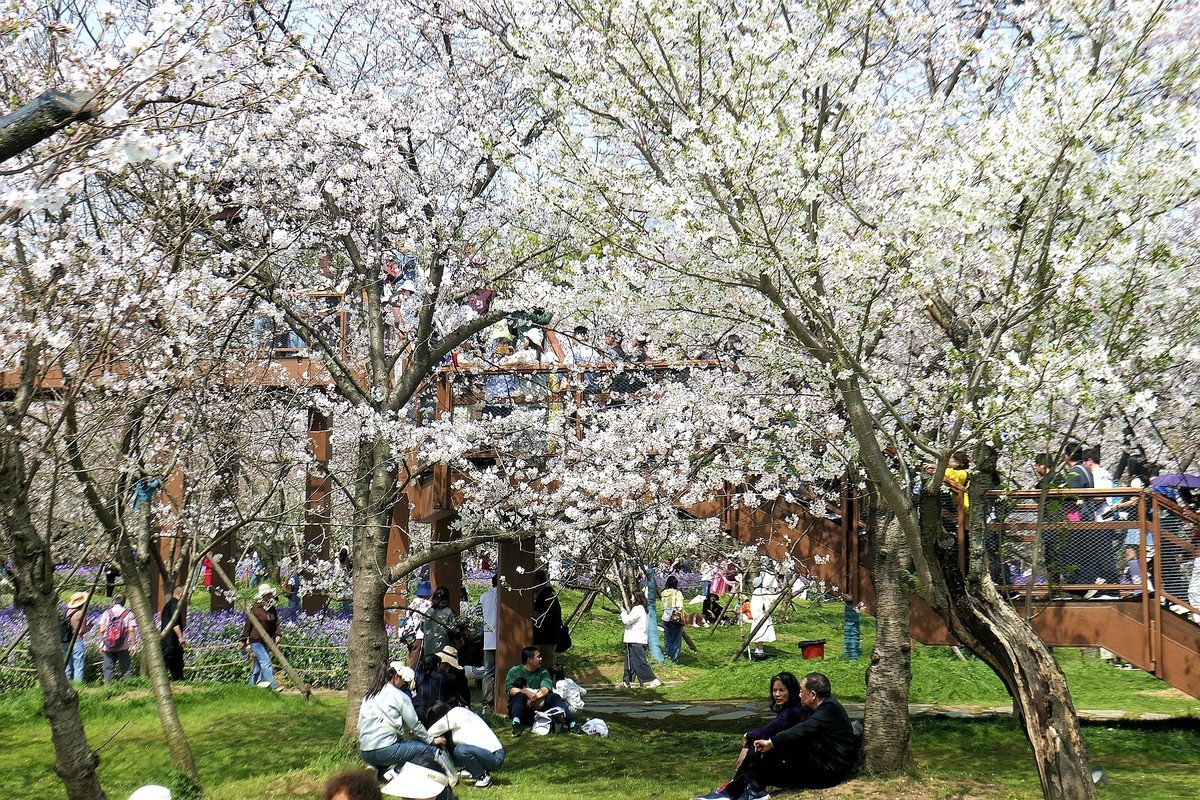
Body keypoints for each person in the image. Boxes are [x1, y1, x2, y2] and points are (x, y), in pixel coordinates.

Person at [696, 672, 857, 800]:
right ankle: (740, 789)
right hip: (821, 763)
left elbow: (802, 730)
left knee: (771, 755)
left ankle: (741, 790)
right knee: (768, 754)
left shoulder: (829, 709)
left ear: (813, 694)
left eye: (802, 691)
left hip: (828, 772)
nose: (800, 695)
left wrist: (772, 743)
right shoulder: (822, 709)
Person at [358, 660, 440, 780]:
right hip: (386, 750)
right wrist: (431, 740)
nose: (403, 683)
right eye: (403, 679)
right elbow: (414, 725)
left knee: (406, 746)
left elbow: (359, 725)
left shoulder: (369, 696)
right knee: (426, 750)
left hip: (365, 750)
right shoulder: (400, 696)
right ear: (396, 676)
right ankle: (394, 772)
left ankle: (376, 768)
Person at [426, 701, 506, 788]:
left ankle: (483, 777)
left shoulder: (453, 716)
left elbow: (428, 733)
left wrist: (434, 740)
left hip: (495, 757)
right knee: (459, 750)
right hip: (492, 753)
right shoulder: (459, 712)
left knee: (460, 750)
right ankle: (471, 769)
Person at [504, 646, 571, 737]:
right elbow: (510, 689)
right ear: (529, 660)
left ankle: (572, 723)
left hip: (539, 708)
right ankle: (516, 724)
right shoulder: (514, 671)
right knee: (519, 695)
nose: (541, 659)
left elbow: (546, 688)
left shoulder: (543, 672)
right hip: (521, 710)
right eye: (538, 657)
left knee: (554, 697)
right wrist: (527, 693)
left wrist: (534, 697)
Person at [613, 591, 661, 689]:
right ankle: (626, 681)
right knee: (630, 662)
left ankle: (654, 680)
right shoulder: (643, 609)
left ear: (637, 598)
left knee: (640, 662)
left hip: (636, 640)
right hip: (635, 639)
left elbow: (626, 620)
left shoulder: (638, 609)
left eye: (632, 597)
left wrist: (623, 612)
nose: (631, 599)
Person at [240, 583, 281, 689]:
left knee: (258, 666)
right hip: (256, 640)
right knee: (265, 662)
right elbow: (248, 624)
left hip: (267, 640)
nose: (269, 596)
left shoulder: (272, 608)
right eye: (267, 594)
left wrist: (277, 635)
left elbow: (276, 623)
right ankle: (273, 686)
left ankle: (250, 687)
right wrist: (243, 639)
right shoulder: (254, 608)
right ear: (262, 596)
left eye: (270, 594)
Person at [98, 593, 138, 683]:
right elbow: (131, 629)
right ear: (123, 602)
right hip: (122, 645)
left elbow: (101, 630)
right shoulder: (128, 613)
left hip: (108, 646)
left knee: (108, 669)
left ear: (113, 602)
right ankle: (128, 688)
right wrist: (133, 645)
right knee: (126, 669)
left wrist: (101, 644)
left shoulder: (107, 613)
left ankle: (108, 689)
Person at [476, 574, 498, 715]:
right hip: (504, 641)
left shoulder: (484, 596)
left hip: (489, 640)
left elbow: (478, 616)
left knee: (488, 673)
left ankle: (487, 705)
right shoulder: (507, 597)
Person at [531, 569, 563, 667]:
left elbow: (542, 616)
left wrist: (528, 609)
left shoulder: (546, 595)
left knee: (544, 666)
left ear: (537, 581)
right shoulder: (549, 593)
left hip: (546, 638)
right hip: (548, 637)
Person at [62, 591, 92, 682]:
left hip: (66, 640)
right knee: (78, 664)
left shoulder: (67, 611)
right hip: (77, 640)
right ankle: (78, 685)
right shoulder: (81, 613)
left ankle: (66, 684)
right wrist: (90, 626)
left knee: (67, 665)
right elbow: (81, 630)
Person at [421, 586, 457, 661]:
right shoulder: (449, 612)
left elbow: (422, 628)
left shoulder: (428, 612)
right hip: (444, 652)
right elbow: (455, 630)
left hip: (428, 649)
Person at [159, 584, 187, 681]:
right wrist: (180, 636)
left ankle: (179, 680)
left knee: (176, 663)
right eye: (185, 593)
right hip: (170, 641)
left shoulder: (170, 604)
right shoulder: (174, 604)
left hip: (171, 641)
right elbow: (174, 622)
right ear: (179, 593)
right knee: (169, 661)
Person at [659, 575, 685, 664]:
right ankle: (674, 660)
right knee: (676, 640)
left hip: (665, 617)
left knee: (668, 640)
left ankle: (667, 657)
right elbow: (679, 607)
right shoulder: (677, 593)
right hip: (675, 618)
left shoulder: (663, 593)